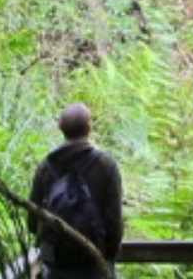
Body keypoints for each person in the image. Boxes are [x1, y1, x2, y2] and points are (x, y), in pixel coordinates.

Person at [28, 103, 124, 279]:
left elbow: (33, 222)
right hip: (95, 263)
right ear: (89, 129)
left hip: (57, 264)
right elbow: (114, 222)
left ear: (60, 128)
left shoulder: (46, 168)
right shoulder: (106, 166)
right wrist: (107, 256)